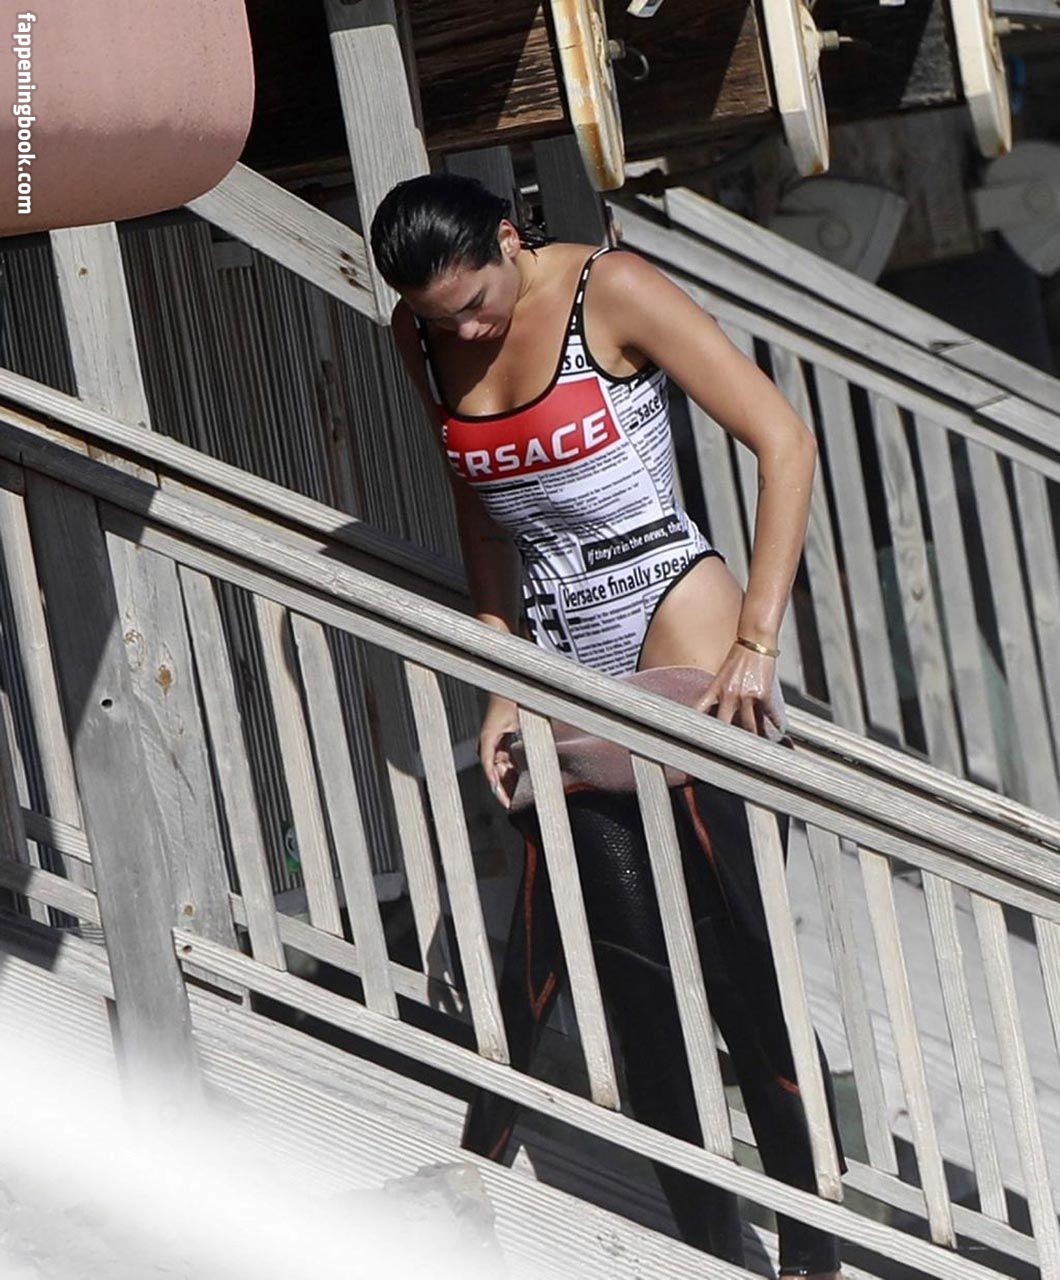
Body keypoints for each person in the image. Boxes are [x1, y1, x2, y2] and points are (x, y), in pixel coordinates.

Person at [371, 173, 843, 1278]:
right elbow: (479, 516)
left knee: (742, 972)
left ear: (507, 238)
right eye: (442, 318)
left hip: (686, 640)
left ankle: (814, 1255)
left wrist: (759, 636)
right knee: (638, 990)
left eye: (475, 303)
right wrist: (501, 681)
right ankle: (712, 1252)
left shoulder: (610, 289)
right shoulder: (420, 332)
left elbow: (785, 439)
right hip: (562, 665)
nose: (466, 330)